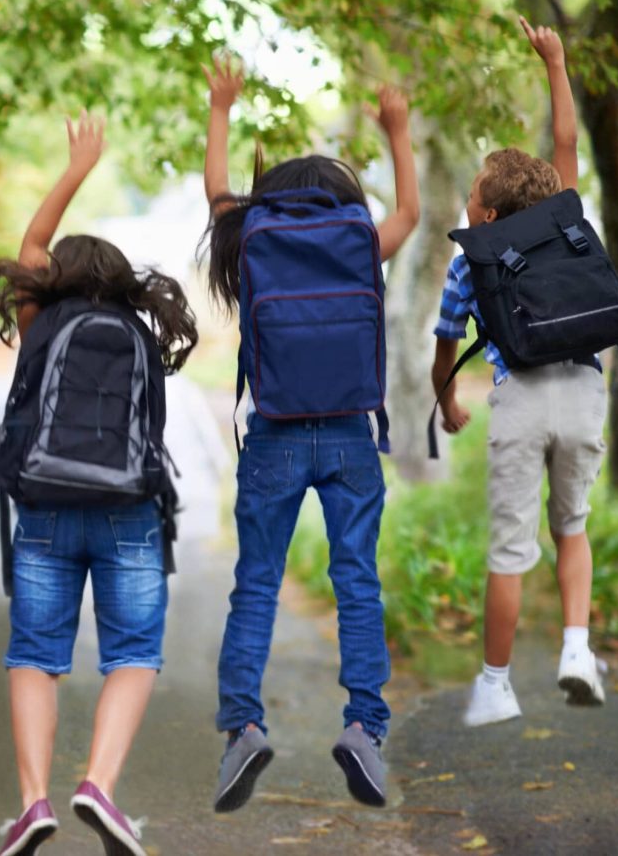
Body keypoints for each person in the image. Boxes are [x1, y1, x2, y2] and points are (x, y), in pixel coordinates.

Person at [202, 54, 419, 810]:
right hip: (351, 436)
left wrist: (220, 108)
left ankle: (242, 730)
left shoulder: (249, 239)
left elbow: (215, 195)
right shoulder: (359, 238)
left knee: (254, 584)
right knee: (355, 580)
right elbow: (411, 216)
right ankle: (364, 726)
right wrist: (397, 131)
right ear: (335, 196)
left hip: (275, 436)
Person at [0, 112, 199, 856]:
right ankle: (97, 787)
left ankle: (32, 804)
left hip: (42, 505)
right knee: (132, 653)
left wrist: (77, 167)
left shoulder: (42, 319)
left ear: (56, 279)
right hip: (129, 511)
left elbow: (32, 247)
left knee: (35, 657)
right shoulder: (140, 331)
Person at [432, 18, 608, 727]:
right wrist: (555, 62)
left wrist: (445, 400)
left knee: (509, 551)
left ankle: (495, 685)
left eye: (473, 197)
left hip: (519, 402)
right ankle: (575, 648)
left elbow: (445, 340)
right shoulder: (565, 223)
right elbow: (565, 143)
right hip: (584, 390)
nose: (467, 205)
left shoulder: (469, 261)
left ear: (490, 211)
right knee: (572, 525)